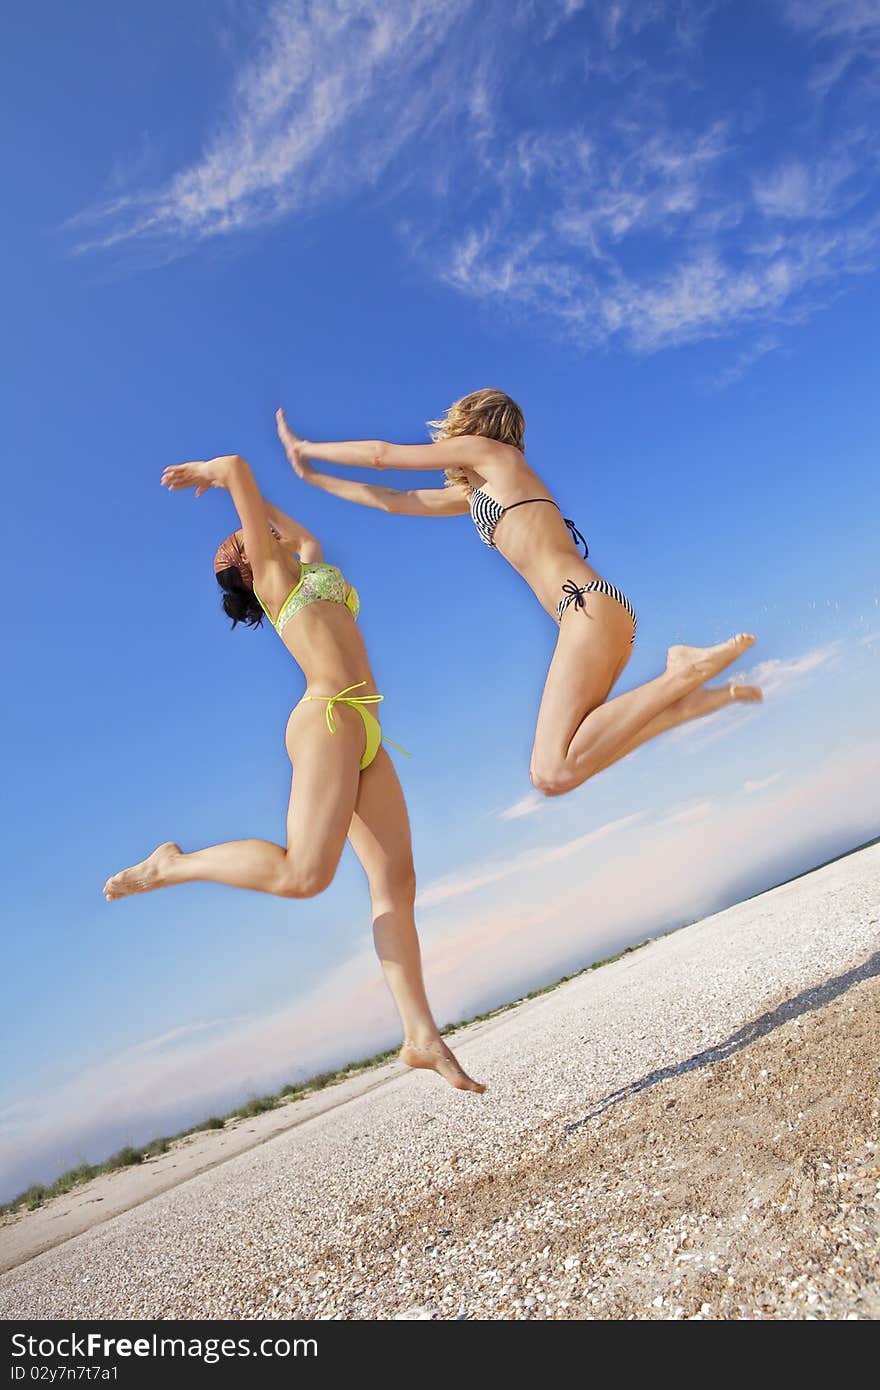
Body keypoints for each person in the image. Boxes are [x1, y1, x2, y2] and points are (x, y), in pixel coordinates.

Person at [102, 451, 484, 1094]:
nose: (259, 532)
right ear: (247, 566)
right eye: (247, 538)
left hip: (364, 728)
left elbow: (301, 534)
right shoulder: (275, 580)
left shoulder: (304, 561)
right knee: (303, 874)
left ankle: (420, 1034)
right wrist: (221, 477)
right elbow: (239, 470)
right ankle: (172, 864)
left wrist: (252, 504)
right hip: (326, 721)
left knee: (397, 882)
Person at [275, 391, 761, 796]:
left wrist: (307, 447)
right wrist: (314, 479)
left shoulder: (493, 455)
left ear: (471, 426)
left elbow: (383, 457)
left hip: (584, 607)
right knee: (565, 762)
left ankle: (680, 673)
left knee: (552, 770)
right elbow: (395, 502)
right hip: (596, 610)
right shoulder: (481, 489)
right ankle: (691, 702)